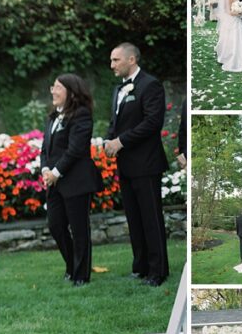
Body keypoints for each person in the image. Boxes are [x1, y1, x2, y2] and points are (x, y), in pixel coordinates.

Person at [103, 42, 169, 286]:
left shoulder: (150, 85)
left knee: (151, 218)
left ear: (131, 60)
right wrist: (109, 141)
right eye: (111, 60)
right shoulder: (118, 89)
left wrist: (121, 141)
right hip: (126, 164)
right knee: (134, 218)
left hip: (147, 163)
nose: (112, 65)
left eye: (116, 60)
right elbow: (116, 121)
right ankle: (140, 266)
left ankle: (158, 271)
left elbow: (152, 123)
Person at [40, 74, 101, 287]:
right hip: (54, 181)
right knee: (55, 225)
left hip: (76, 180)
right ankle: (71, 265)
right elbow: (45, 149)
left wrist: (56, 172)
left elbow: (76, 149)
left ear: (71, 91)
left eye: (57, 87)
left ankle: (81, 274)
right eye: (53, 86)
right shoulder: (52, 117)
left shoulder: (81, 115)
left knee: (79, 228)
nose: (53, 91)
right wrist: (46, 169)